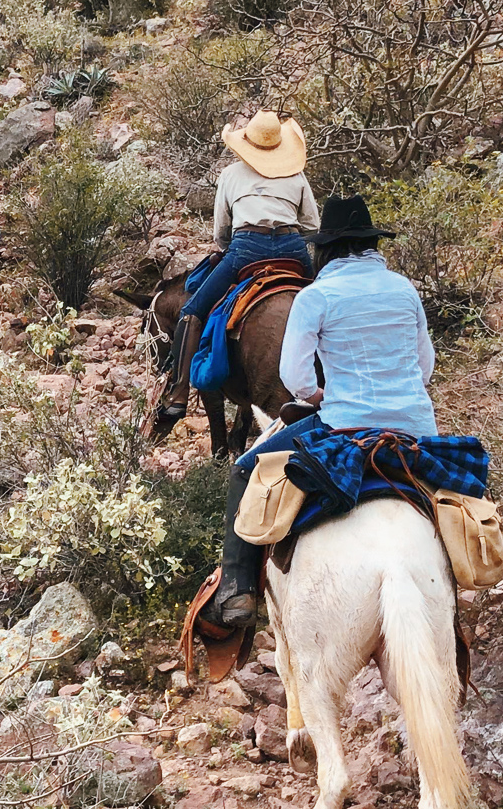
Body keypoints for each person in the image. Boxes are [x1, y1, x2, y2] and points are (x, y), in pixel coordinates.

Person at [199, 194, 437, 636]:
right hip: (416, 428)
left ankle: (236, 591)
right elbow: (425, 368)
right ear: (371, 244)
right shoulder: (405, 290)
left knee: (244, 469)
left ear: (324, 248)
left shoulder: (317, 296)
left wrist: (323, 394)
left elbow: (295, 378)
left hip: (344, 423)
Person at [168, 111, 320, 399]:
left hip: (247, 248)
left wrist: (229, 246)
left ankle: (177, 393)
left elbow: (221, 232)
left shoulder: (230, 174)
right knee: (333, 306)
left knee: (192, 311)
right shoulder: (296, 175)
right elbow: (312, 226)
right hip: (293, 250)